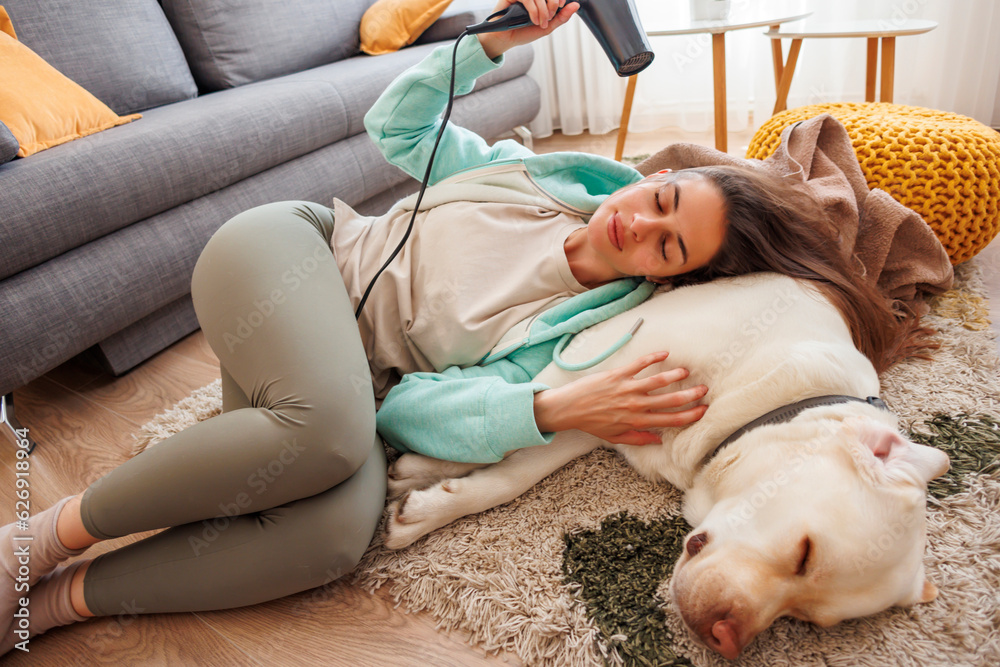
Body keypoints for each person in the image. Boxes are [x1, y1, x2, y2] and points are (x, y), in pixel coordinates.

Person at [1, 0, 907, 653]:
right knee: (320, 431)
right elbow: (395, 122)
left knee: (328, 537)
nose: (642, 224)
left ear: (673, 278)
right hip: (289, 255)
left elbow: (417, 413)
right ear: (646, 176)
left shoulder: (575, 333)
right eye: (660, 198)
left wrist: (550, 408)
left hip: (341, 378)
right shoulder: (526, 174)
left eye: (669, 248)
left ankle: (51, 605)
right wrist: (495, 41)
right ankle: (37, 542)